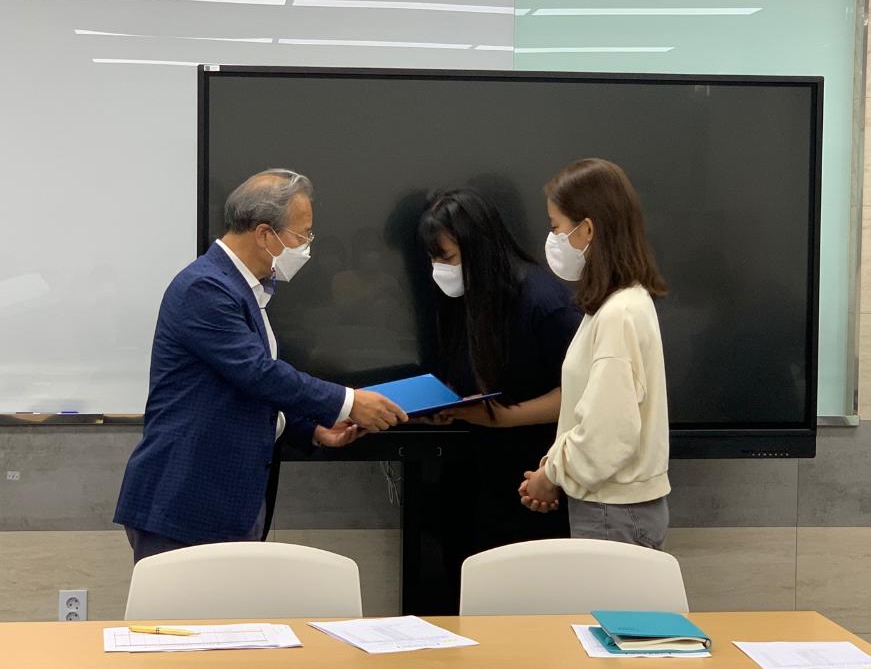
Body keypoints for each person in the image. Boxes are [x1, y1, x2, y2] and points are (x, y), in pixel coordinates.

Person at [114, 169, 407, 563]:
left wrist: (312, 429)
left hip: (229, 500)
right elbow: (258, 373)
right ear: (266, 234)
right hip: (186, 500)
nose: (307, 247)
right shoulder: (206, 287)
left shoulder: (246, 288)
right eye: (303, 235)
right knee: (187, 608)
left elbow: (247, 390)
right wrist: (349, 403)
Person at [418, 187, 582, 607]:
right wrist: (448, 406)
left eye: (448, 258)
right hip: (475, 472)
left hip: (536, 479)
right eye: (434, 259)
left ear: (479, 248)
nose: (441, 270)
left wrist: (504, 416)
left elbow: (582, 395)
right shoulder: (467, 296)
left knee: (528, 603)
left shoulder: (544, 301)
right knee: (470, 593)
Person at [519, 158, 671, 549]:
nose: (552, 238)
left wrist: (550, 475)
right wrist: (555, 469)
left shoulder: (619, 313)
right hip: (612, 506)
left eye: (556, 227)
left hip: (613, 510)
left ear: (587, 229)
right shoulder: (616, 305)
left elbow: (608, 434)